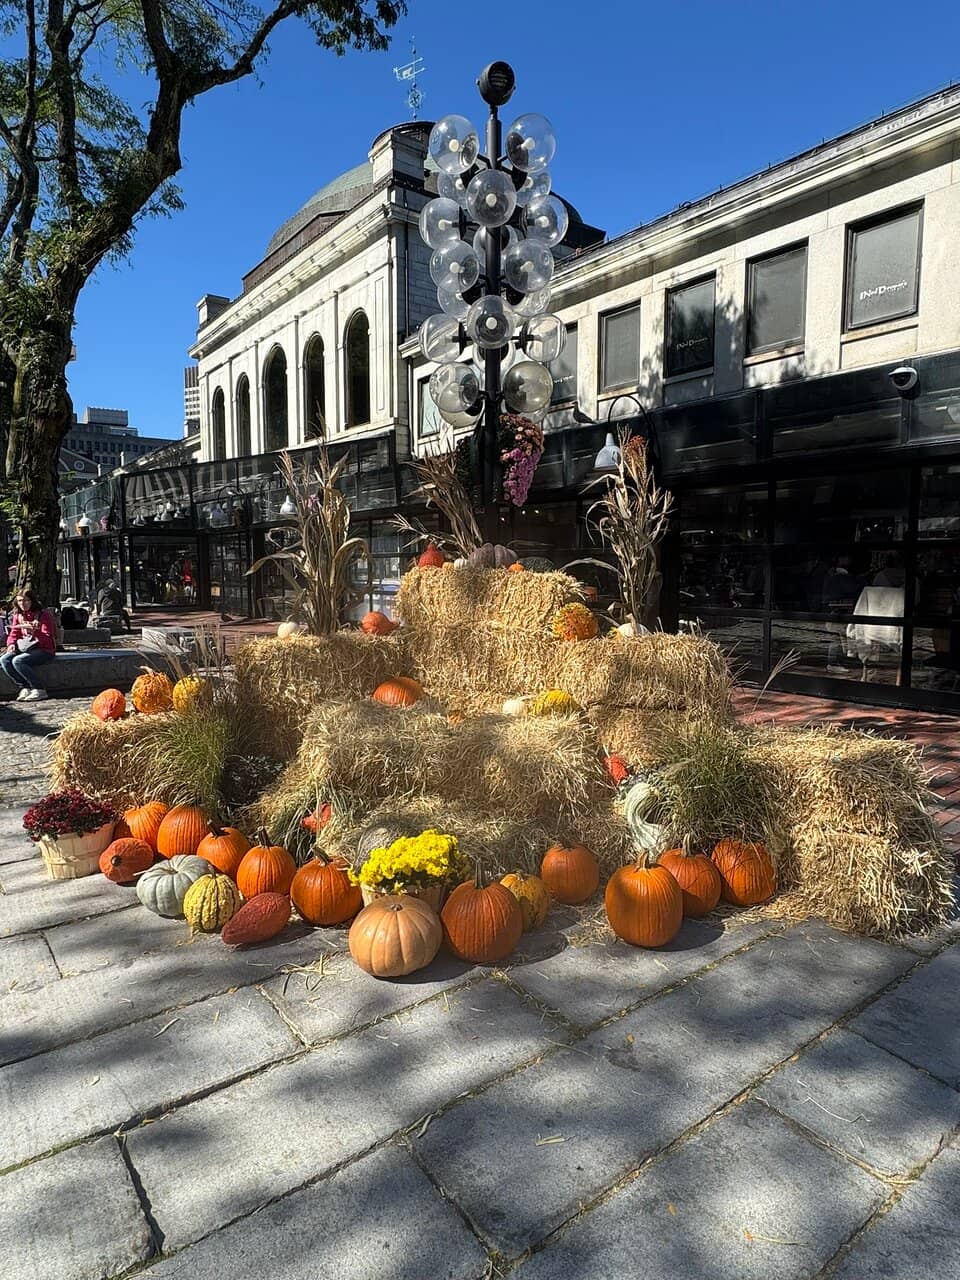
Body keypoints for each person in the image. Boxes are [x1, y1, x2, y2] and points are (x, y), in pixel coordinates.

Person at [1, 588, 57, 701]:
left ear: (32, 601)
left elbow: (48, 637)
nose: (23, 604)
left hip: (44, 649)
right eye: (20, 601)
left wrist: (35, 631)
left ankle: (39, 689)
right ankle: (24, 687)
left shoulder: (43, 615)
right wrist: (11, 644)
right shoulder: (18, 615)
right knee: (4, 660)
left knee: (18, 661)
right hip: (25, 647)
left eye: (26, 600)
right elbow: (14, 633)